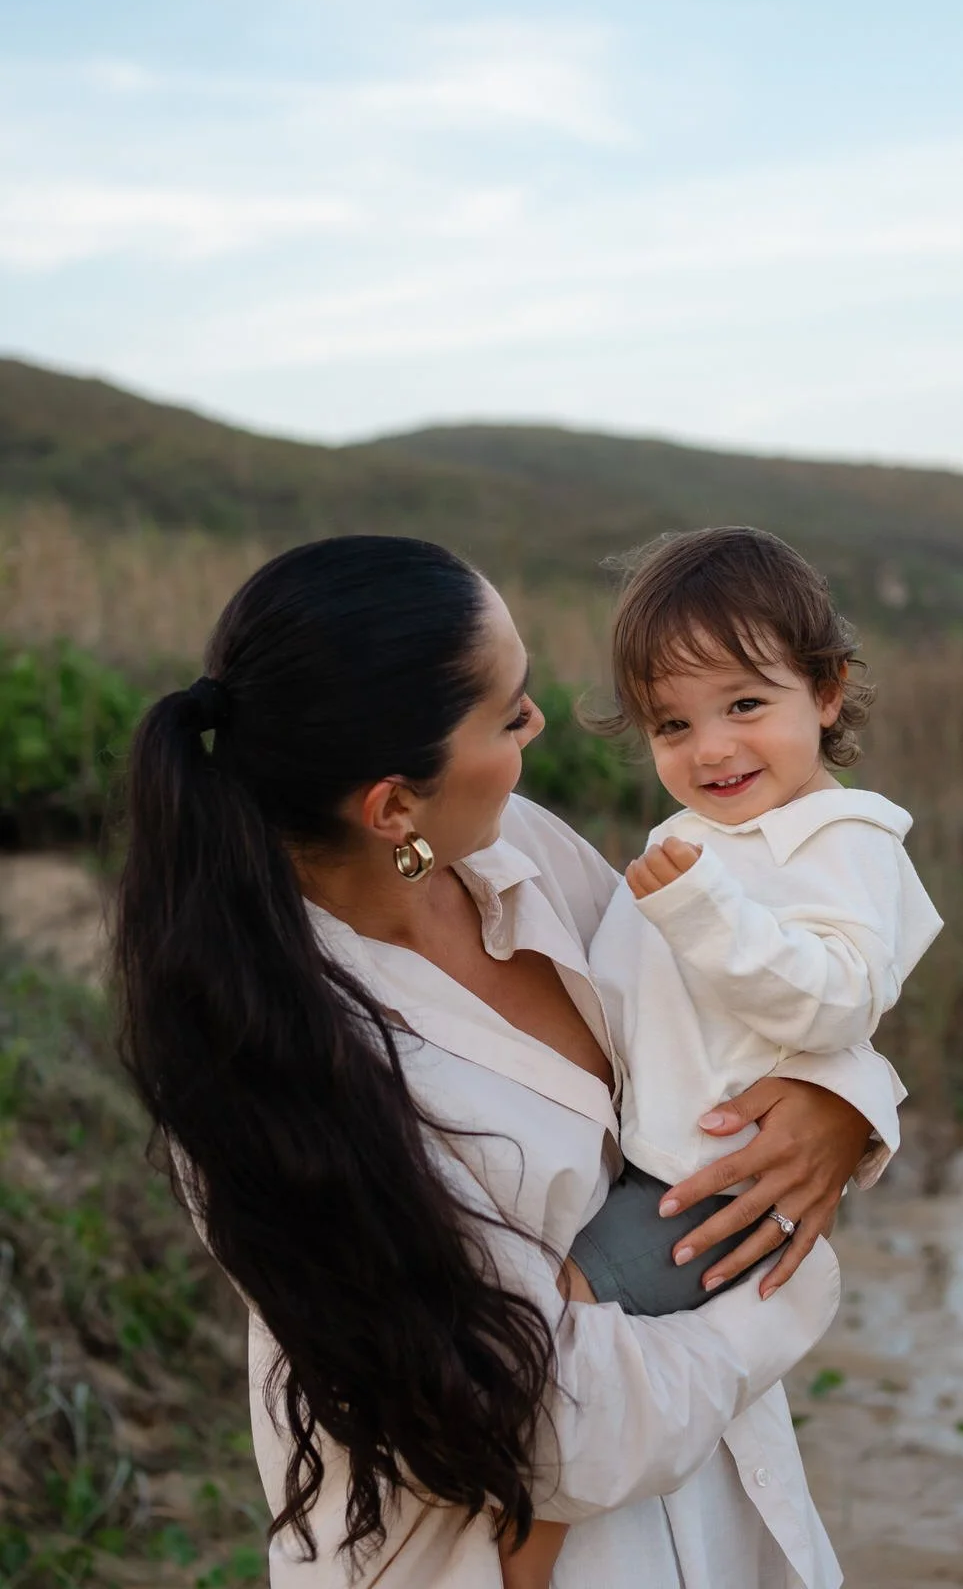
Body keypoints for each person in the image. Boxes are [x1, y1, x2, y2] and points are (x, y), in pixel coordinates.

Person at [114, 535, 906, 1588]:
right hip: (497, 1554)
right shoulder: (275, 1057)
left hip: (707, 1502)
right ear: (393, 805)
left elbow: (727, 1006)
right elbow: (548, 1429)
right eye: (509, 712)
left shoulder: (513, 846)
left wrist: (839, 1098)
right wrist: (783, 1307)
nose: (539, 723)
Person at [505, 526, 942, 1586]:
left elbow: (838, 998)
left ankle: (517, 1559)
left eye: (745, 704)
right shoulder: (699, 838)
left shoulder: (844, 840)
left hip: (706, 1177)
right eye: (672, 722)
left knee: (554, 1329)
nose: (710, 748)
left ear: (825, 692)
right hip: (651, 1156)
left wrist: (699, 912)